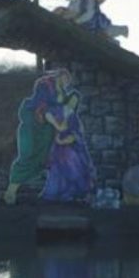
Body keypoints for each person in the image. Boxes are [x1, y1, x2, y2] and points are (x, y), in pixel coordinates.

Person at [3, 72, 59, 204]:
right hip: (29, 135)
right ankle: (11, 191)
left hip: (44, 140)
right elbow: (26, 118)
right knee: (25, 158)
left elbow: (54, 123)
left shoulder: (53, 107)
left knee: (40, 160)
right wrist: (41, 117)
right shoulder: (28, 104)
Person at [40, 69, 95, 201]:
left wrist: (70, 139)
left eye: (76, 101)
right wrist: (58, 131)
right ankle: (58, 193)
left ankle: (73, 192)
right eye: (72, 100)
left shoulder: (74, 118)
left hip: (71, 145)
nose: (73, 102)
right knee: (59, 165)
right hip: (59, 145)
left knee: (74, 162)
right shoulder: (58, 110)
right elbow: (47, 114)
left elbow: (78, 132)